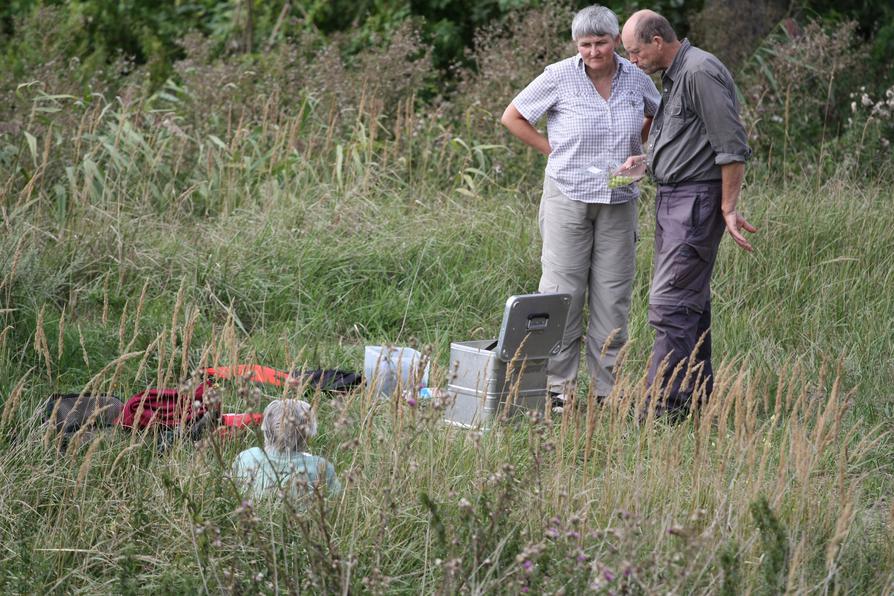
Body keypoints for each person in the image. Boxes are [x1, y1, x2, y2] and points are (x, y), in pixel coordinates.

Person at [500, 5, 660, 407]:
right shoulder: (558, 76)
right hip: (568, 196)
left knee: (612, 295)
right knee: (561, 293)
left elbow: (659, 117)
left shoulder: (635, 78)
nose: (593, 51)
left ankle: (606, 391)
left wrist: (640, 151)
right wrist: (552, 151)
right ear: (576, 45)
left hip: (620, 198)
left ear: (615, 41)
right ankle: (557, 390)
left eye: (601, 43)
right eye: (585, 44)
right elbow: (513, 116)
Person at [620, 10, 757, 419]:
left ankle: (660, 409)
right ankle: (690, 401)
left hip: (695, 201)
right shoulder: (676, 77)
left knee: (670, 304)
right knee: (689, 305)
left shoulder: (699, 72)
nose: (633, 61)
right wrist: (643, 164)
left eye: (635, 51)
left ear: (658, 40)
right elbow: (687, 145)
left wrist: (728, 207)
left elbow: (732, 146)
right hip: (672, 198)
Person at [232, 399, 342, 499]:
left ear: (265, 427)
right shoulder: (320, 466)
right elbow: (337, 502)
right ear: (307, 432)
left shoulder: (247, 456)